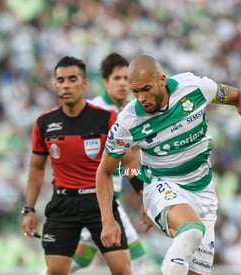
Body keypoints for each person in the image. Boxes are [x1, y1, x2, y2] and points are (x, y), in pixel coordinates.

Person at [96, 55, 241, 275]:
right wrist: (107, 220)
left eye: (146, 89)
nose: (141, 98)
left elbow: (239, 96)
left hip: (204, 191)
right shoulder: (128, 121)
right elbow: (104, 171)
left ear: (162, 80)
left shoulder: (194, 88)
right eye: (135, 92)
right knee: (192, 230)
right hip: (161, 185)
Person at [21, 56, 132, 275]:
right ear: (55, 85)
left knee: (123, 270)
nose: (66, 85)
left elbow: (129, 160)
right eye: (61, 80)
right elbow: (36, 168)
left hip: (99, 202)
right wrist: (29, 209)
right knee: (55, 271)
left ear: (85, 83)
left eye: (72, 79)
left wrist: (142, 193)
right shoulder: (44, 123)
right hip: (63, 203)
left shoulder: (105, 118)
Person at [66, 53, 146, 274]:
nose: (122, 84)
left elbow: (134, 158)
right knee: (136, 257)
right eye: (116, 78)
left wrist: (143, 193)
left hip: (110, 197)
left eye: (125, 78)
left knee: (80, 260)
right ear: (105, 81)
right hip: (92, 198)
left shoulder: (133, 112)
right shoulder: (92, 111)